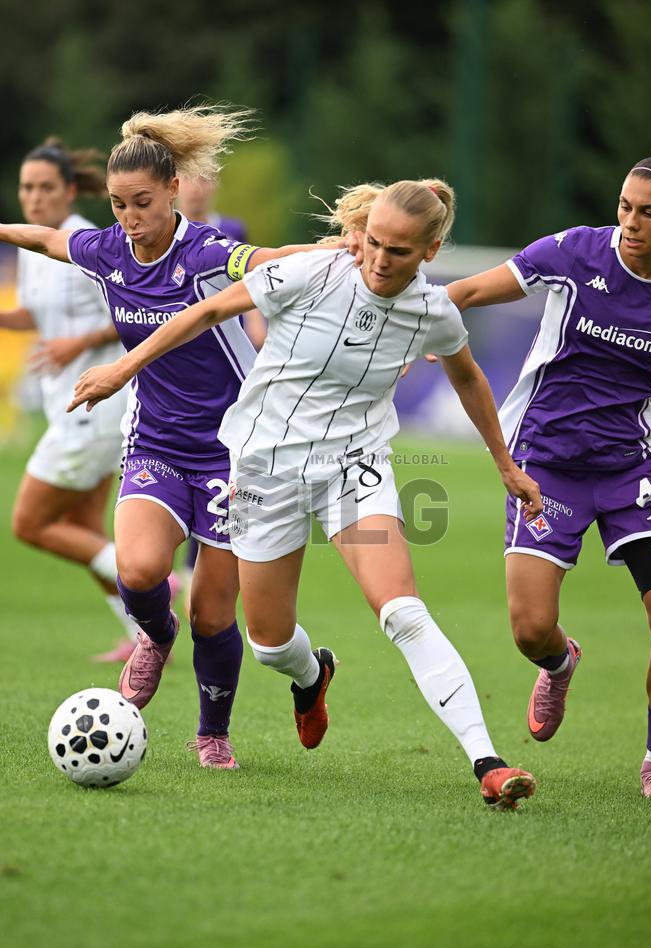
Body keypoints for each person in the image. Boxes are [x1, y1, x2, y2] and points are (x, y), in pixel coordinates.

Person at [68, 178, 543, 810]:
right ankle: (312, 674)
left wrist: (506, 464)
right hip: (264, 470)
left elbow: (471, 379)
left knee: (402, 611)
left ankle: (488, 762)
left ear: (430, 253)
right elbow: (207, 311)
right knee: (268, 643)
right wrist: (121, 369)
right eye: (374, 243)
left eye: (399, 251)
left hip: (354, 470)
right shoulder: (312, 273)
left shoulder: (434, 312)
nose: (379, 260)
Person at [0, 104, 340, 771]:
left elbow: (272, 259)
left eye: (143, 203)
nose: (130, 217)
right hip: (155, 441)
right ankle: (155, 635)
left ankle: (213, 734)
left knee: (215, 614)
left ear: (174, 191)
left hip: (233, 453)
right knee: (137, 569)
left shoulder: (207, 253)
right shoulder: (107, 250)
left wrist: (342, 249)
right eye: (119, 205)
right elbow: (44, 240)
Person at [440, 152, 651, 799]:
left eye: (649, 213)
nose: (630, 222)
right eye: (625, 206)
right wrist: (414, 332)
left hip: (632, 468)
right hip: (545, 464)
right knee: (531, 629)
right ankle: (561, 663)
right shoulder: (577, 253)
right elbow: (468, 291)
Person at [0, 137, 139, 659]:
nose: (34, 197)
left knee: (30, 524)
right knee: (83, 530)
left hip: (96, 408)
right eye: (26, 188)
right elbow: (38, 314)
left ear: (69, 191)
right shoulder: (33, 246)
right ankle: (146, 635)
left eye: (45, 187)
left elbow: (133, 313)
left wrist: (78, 344)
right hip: (74, 407)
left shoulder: (87, 244)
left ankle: (155, 585)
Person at [176, 175, 266, 621]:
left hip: (226, 371)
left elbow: (253, 280)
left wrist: (256, 321)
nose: (197, 188)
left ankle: (205, 574)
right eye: (190, 180)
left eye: (206, 179)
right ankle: (184, 575)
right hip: (180, 372)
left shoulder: (230, 229)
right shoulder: (161, 235)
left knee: (224, 472)